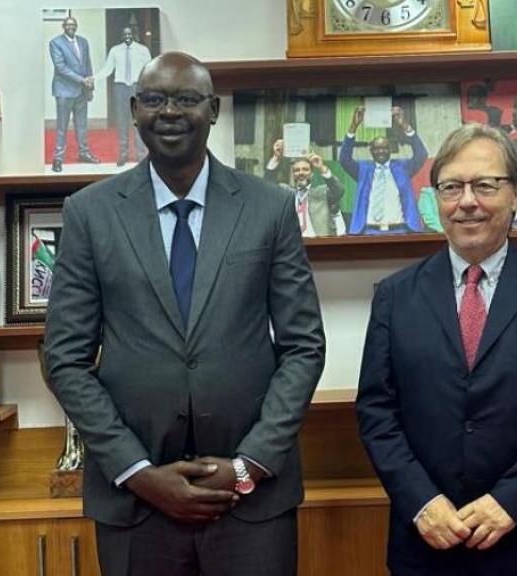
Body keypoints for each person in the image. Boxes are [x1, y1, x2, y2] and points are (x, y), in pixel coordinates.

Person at [44, 52, 326, 576]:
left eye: (186, 99)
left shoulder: (269, 207)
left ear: (213, 109)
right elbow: (64, 358)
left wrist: (249, 466)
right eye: (154, 99)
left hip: (251, 500)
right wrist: (137, 472)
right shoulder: (90, 213)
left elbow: (303, 346)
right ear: (134, 109)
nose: (169, 111)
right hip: (137, 501)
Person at [356, 123, 517, 575]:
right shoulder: (395, 296)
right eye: (451, 187)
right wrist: (421, 502)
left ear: (515, 194)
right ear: (435, 200)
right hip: (427, 541)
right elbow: (376, 411)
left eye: (484, 185)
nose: (467, 201)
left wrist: (511, 501)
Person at [339, 105, 428, 235]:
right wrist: (354, 126)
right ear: (371, 151)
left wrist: (405, 126)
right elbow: (344, 159)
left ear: (390, 150)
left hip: (400, 230)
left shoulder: (403, 167)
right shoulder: (363, 170)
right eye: (376, 148)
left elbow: (421, 155)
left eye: (385, 147)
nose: (381, 151)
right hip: (368, 232)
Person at [92, 26, 152, 166]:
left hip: (137, 87)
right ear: (121, 35)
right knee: (122, 122)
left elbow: (149, 69)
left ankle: (141, 154)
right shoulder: (115, 50)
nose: (127, 36)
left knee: (139, 121)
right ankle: (123, 155)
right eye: (125, 34)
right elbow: (107, 69)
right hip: (120, 88)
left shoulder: (143, 50)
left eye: (130, 34)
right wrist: (93, 78)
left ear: (134, 35)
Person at [49, 16, 100, 172]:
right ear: (63, 26)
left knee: (82, 125)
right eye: (68, 24)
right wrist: (81, 80)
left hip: (81, 92)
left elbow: (87, 65)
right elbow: (60, 67)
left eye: (74, 24)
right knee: (62, 127)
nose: (71, 27)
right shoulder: (55, 43)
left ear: (76, 26)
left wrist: (90, 86)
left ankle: (83, 153)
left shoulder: (83, 41)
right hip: (64, 91)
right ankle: (58, 159)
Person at [264, 139, 345, 237]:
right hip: (293, 247)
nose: (301, 173)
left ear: (312, 174)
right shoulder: (286, 193)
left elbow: (339, 190)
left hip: (319, 245)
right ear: (293, 175)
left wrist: (321, 167)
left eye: (305, 170)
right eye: (296, 170)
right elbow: (266, 188)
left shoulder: (322, 192)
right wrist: (276, 157)